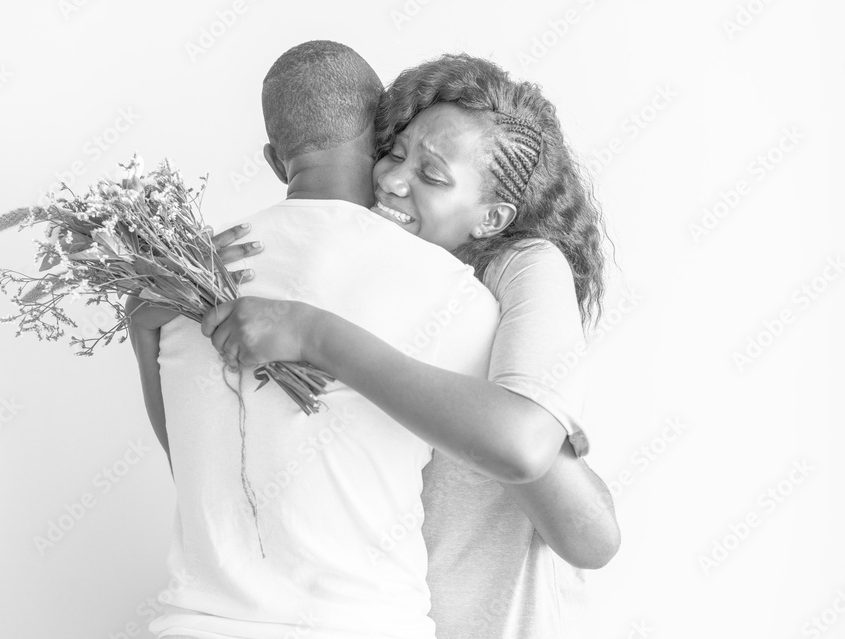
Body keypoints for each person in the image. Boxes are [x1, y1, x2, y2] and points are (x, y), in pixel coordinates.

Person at [202, 53, 619, 638]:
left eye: (433, 175)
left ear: (493, 217)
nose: (393, 181)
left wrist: (312, 335)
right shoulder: (361, 269)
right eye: (393, 154)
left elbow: (578, 520)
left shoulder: (518, 269)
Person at [132, 41, 503, 639]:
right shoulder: (456, 294)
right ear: (384, 145)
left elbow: (194, 465)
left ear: (275, 161)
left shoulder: (181, 280)